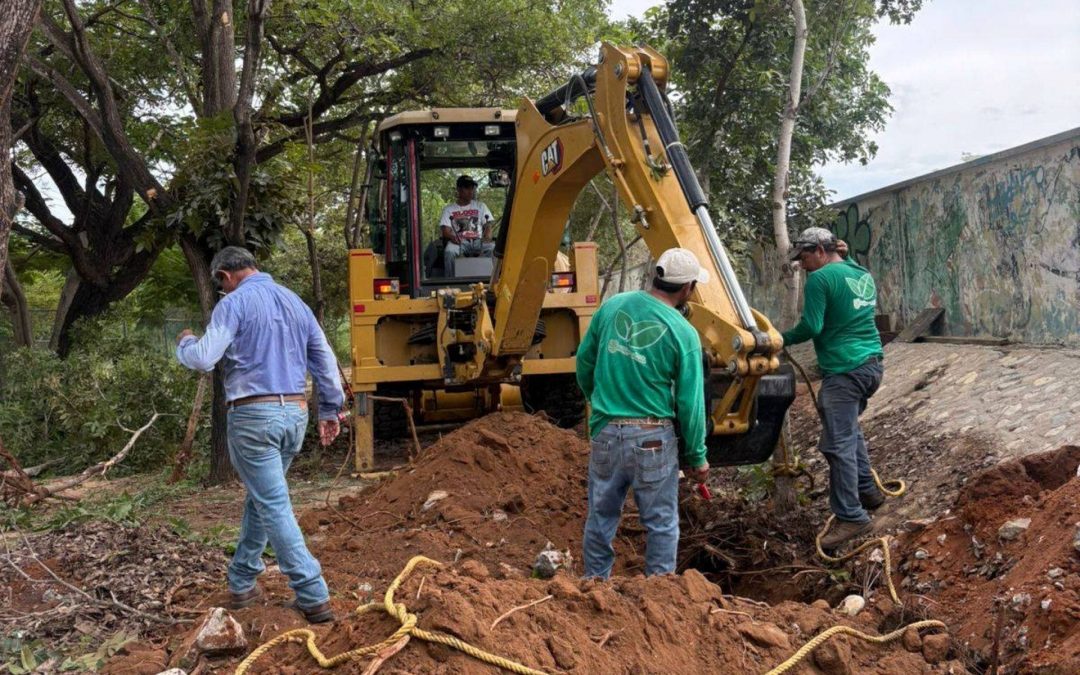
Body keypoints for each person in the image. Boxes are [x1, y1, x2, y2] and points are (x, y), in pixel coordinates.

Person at [174, 246, 344, 623]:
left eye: (221, 285)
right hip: (294, 415)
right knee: (263, 498)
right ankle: (241, 581)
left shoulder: (233, 304)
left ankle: (313, 594)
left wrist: (184, 343)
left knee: (273, 504)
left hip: (253, 417)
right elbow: (325, 359)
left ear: (224, 276)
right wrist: (331, 408)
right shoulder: (295, 302)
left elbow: (204, 358)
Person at [576, 248, 710, 579]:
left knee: (601, 515)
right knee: (661, 523)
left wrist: (599, 404)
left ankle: (594, 586)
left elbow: (583, 363)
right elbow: (690, 404)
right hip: (652, 438)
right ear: (687, 288)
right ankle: (660, 596)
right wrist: (697, 457)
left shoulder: (613, 307)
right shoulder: (683, 332)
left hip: (606, 434)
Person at [782, 227, 885, 549]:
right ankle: (868, 491)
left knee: (835, 444)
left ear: (820, 251)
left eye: (805, 257)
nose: (803, 264)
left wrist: (777, 339)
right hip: (871, 366)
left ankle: (851, 516)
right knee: (849, 432)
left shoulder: (821, 280)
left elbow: (812, 326)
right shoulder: (860, 272)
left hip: (844, 369)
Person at [438, 175, 495, 276]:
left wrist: (487, 236)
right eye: (467, 188)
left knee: (492, 248)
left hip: (478, 241)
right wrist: (452, 237)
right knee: (449, 251)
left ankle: (491, 281)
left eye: (472, 188)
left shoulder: (480, 206)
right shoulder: (449, 209)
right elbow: (445, 231)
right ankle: (451, 282)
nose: (471, 191)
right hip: (460, 242)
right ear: (459, 189)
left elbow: (488, 225)